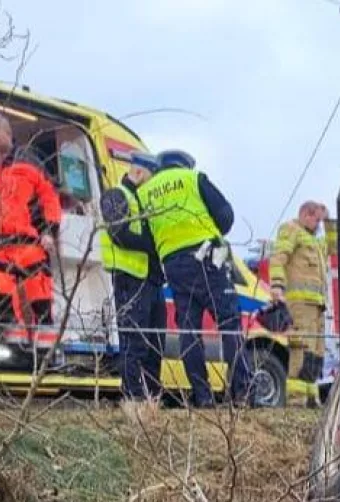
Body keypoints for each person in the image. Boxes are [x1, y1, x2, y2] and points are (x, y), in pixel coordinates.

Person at [136, 149, 251, 408]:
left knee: (189, 328)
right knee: (229, 322)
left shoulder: (144, 193)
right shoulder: (192, 178)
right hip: (208, 256)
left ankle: (203, 396)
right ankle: (242, 393)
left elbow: (145, 234)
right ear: (185, 164)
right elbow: (225, 215)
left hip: (173, 264)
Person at [0, 111, 62, 348]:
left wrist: (50, 231)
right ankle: (10, 351)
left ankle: (44, 354)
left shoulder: (30, 162)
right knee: (0, 302)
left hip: (31, 245)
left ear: (6, 132)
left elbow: (49, 198)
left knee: (40, 300)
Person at [98, 152, 165, 406]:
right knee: (134, 342)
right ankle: (133, 399)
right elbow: (120, 233)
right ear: (138, 172)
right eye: (150, 178)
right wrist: (154, 245)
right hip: (129, 279)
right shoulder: (116, 195)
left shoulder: (144, 200)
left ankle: (151, 399)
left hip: (151, 280)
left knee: (153, 345)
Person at [268, 201, 328, 405]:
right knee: (301, 349)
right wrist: (277, 286)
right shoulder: (290, 230)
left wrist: (330, 220)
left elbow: (335, 246)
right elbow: (278, 259)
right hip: (300, 304)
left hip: (317, 305)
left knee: (316, 353)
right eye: (317, 220)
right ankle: (296, 400)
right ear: (305, 214)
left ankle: (311, 398)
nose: (319, 225)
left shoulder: (314, 240)